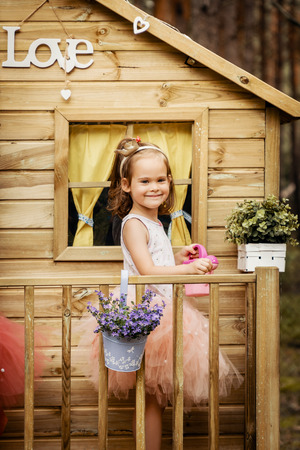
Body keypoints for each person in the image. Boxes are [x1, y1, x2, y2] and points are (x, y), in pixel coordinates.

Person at [80, 137, 243, 450]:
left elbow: (158, 261)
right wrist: (188, 271)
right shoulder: (133, 223)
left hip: (162, 310)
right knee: (150, 399)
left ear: (169, 181)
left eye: (160, 180)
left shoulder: (155, 221)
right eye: (144, 181)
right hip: (148, 314)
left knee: (158, 398)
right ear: (126, 185)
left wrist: (181, 257)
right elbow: (146, 271)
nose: (153, 187)